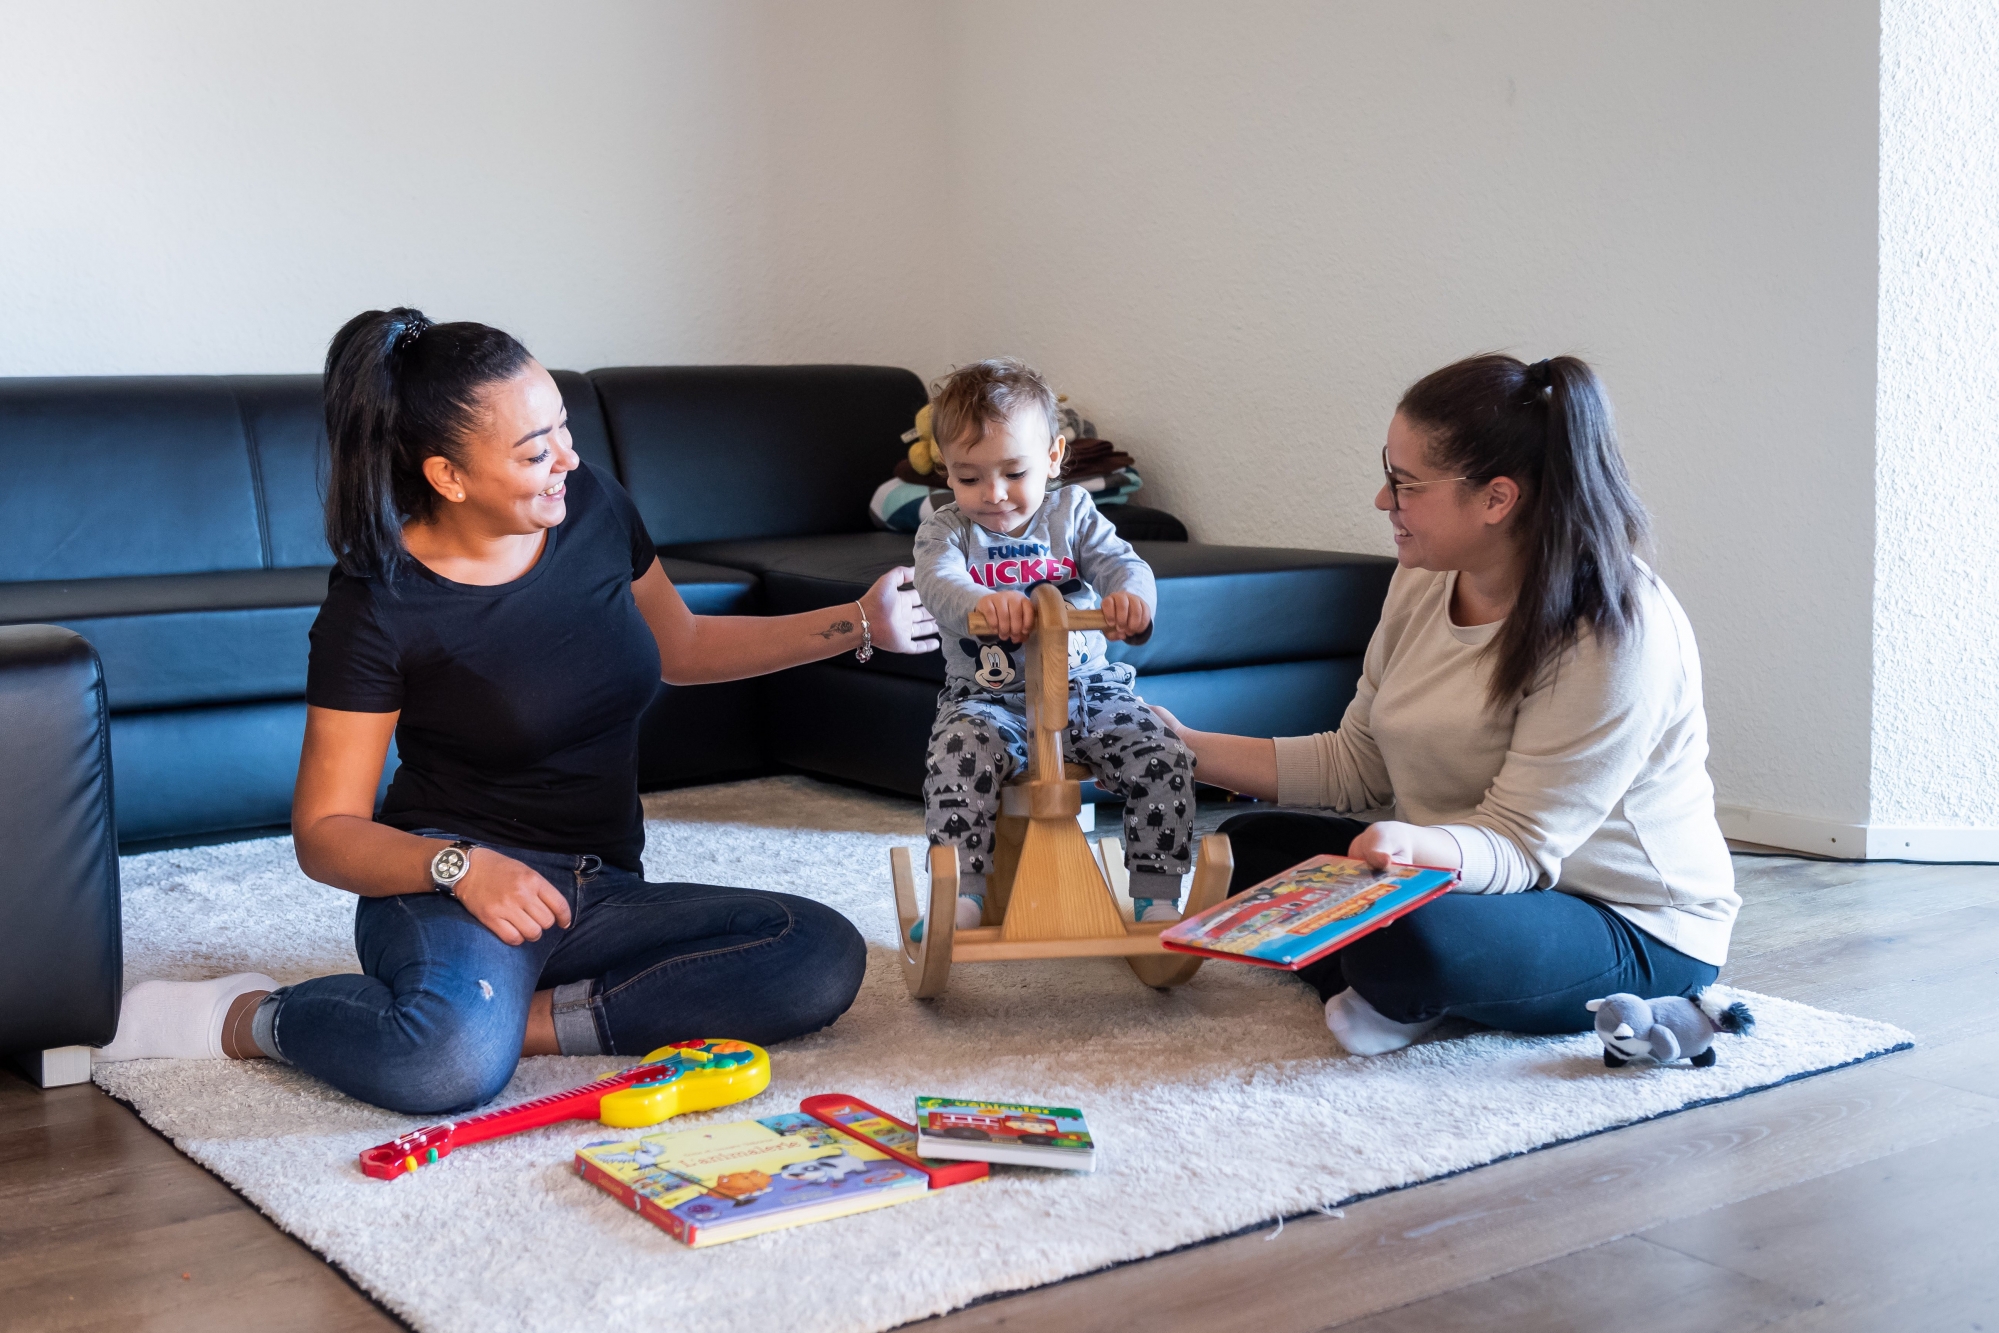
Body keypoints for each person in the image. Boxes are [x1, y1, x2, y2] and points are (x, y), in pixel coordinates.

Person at [94, 308, 938, 1113]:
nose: (568, 460)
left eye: (565, 430)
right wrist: (463, 867)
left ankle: (519, 1023)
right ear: (448, 476)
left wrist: (856, 622)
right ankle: (249, 1018)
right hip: (447, 882)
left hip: (595, 890)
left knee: (814, 950)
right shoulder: (379, 602)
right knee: (443, 1059)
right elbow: (325, 832)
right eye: (537, 452)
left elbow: (681, 648)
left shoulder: (595, 509)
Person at [1156, 354, 1738, 1055]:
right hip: (1467, 873)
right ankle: (1414, 986)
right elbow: (1357, 763)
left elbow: (1521, 844)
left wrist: (1414, 845)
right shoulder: (1425, 576)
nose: (1382, 501)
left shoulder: (1613, 629)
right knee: (1242, 853)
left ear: (1496, 499)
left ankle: (1415, 981)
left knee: (1411, 939)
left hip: (1626, 921)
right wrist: (1182, 746)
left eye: (1404, 485)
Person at [912, 358, 1195, 935]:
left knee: (1163, 751)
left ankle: (1157, 892)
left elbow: (1122, 564)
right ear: (947, 472)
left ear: (1053, 458)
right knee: (956, 759)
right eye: (970, 478)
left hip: (1088, 688)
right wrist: (983, 603)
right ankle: (963, 893)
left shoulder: (1074, 513)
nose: (994, 494)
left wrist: (1131, 599)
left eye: (1014, 473)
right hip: (988, 695)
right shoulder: (947, 531)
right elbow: (939, 585)